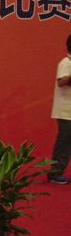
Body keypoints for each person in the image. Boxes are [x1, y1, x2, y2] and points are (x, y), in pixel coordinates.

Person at [47, 34, 71, 184]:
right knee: (64, 142)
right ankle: (55, 173)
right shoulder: (66, 62)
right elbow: (61, 81)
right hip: (65, 111)